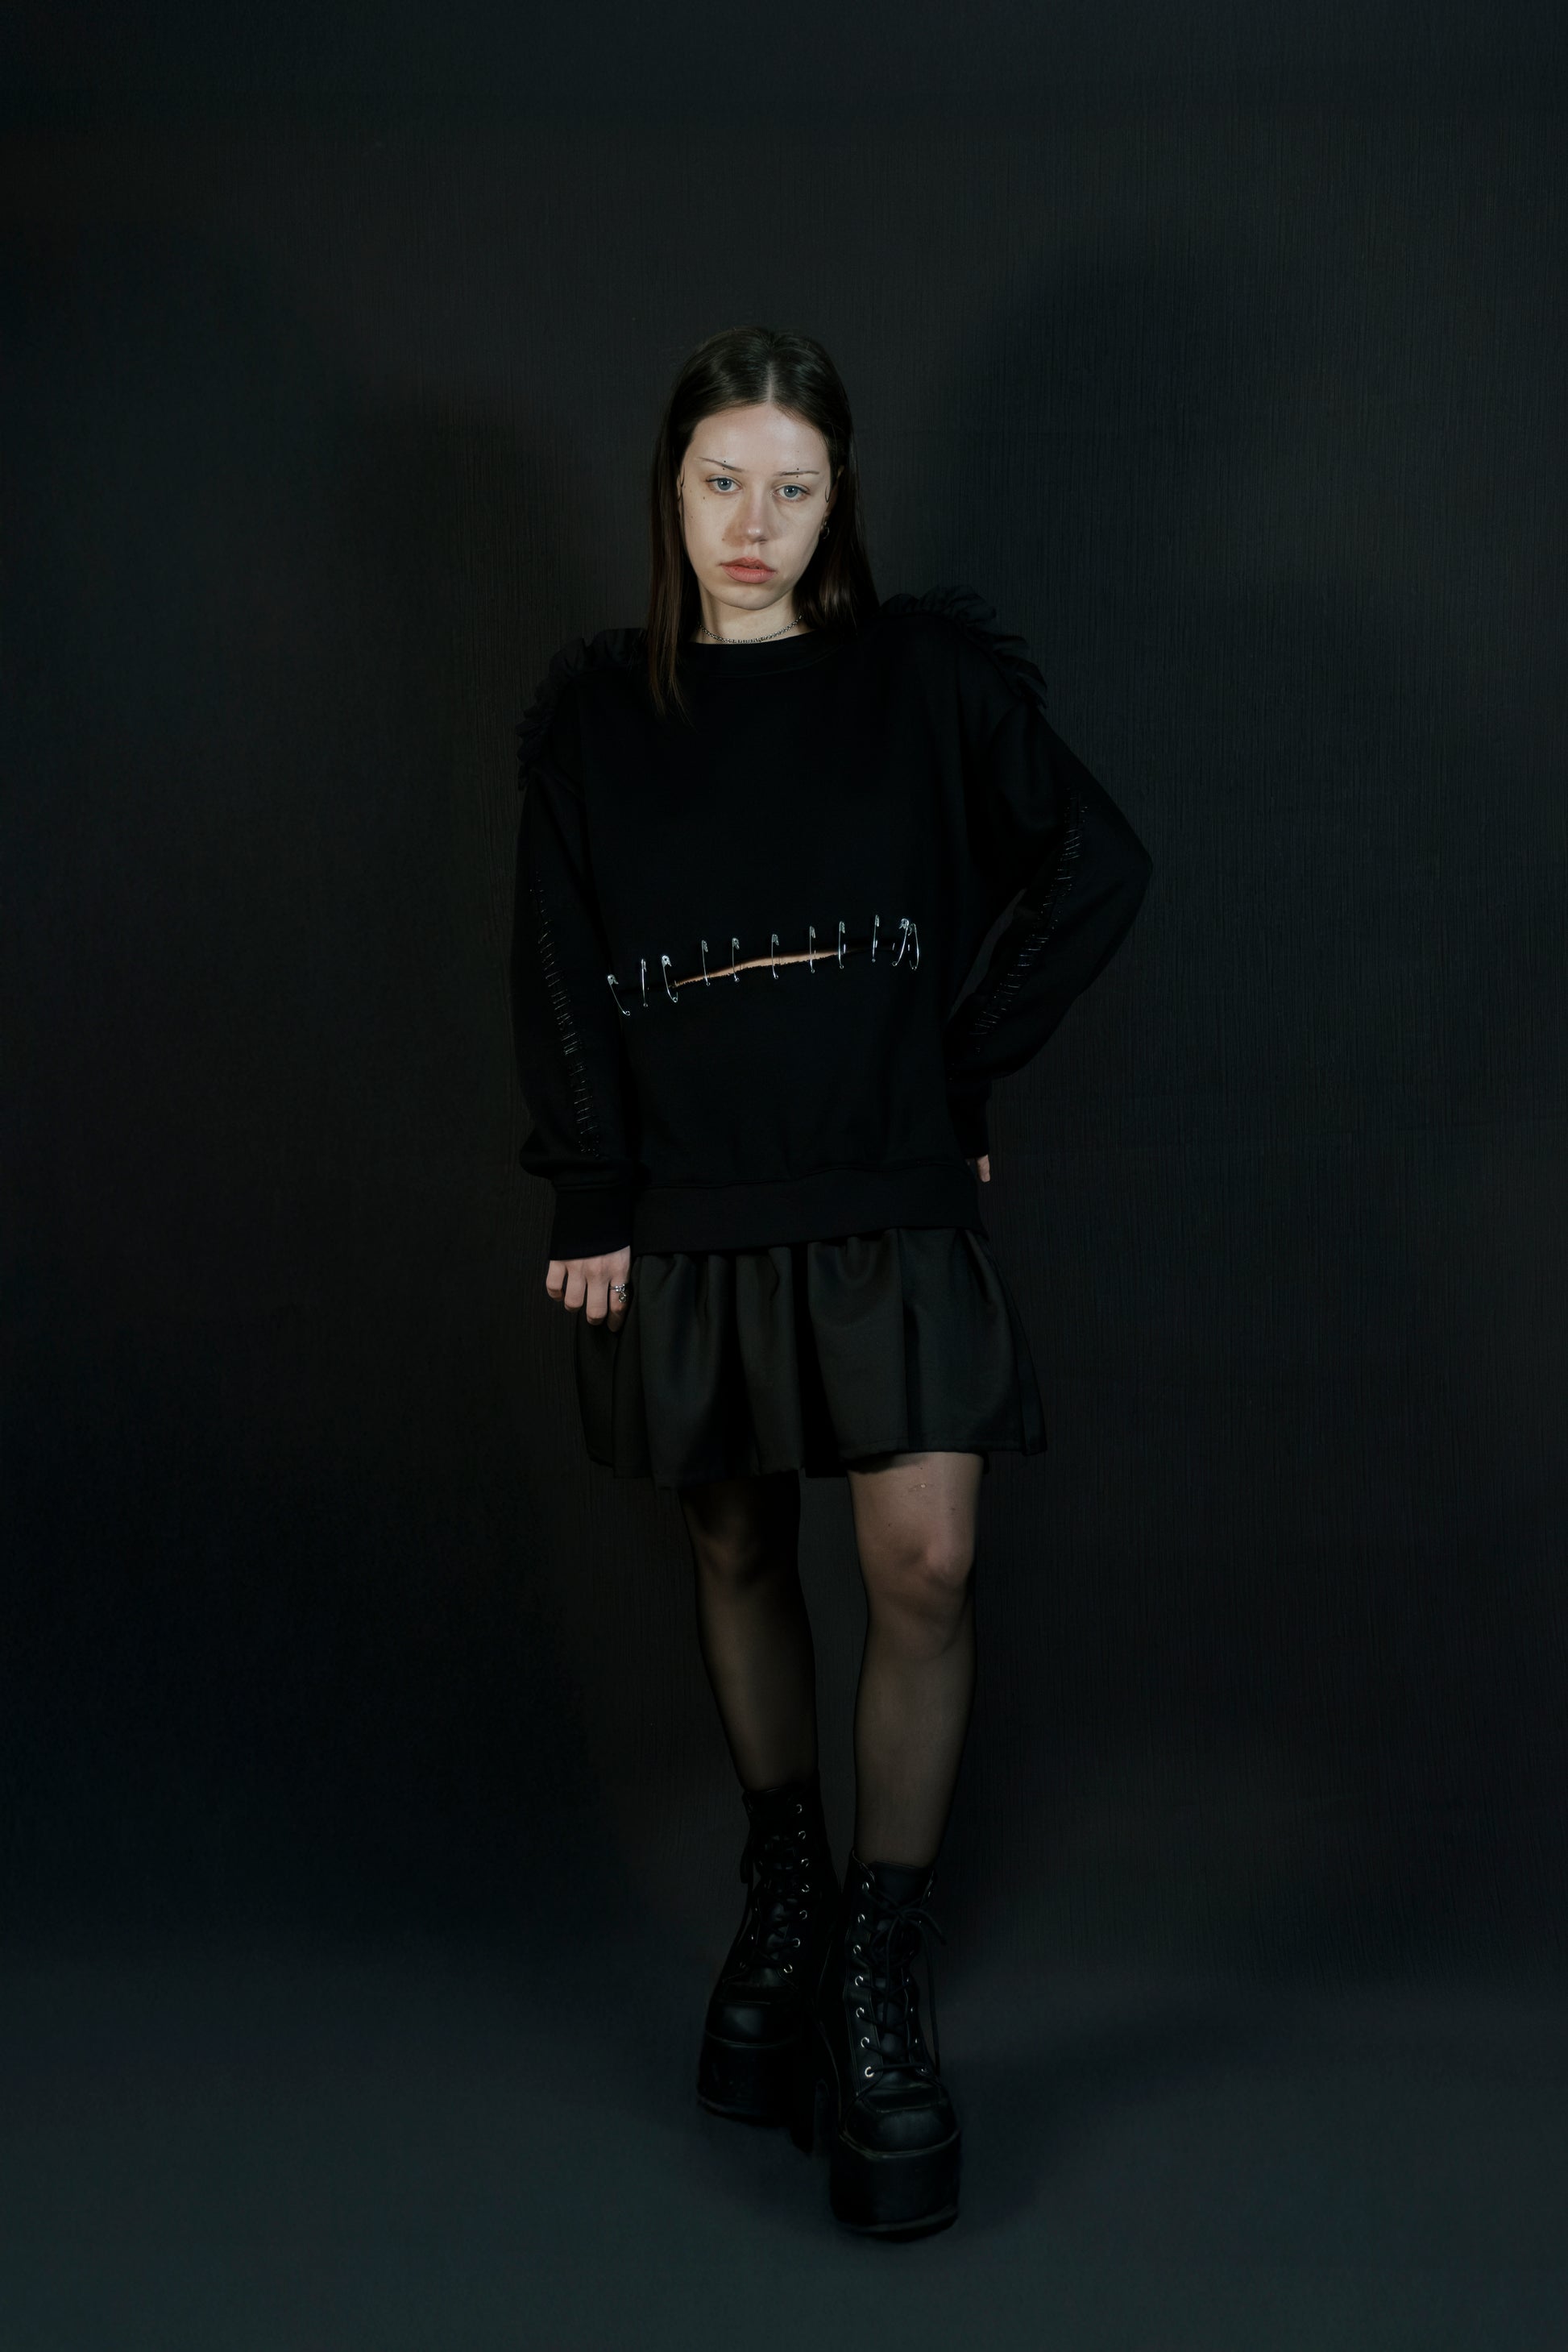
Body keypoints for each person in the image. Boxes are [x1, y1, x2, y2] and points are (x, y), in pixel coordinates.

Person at [509, 325, 1151, 2239]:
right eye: (722, 481)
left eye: (791, 488)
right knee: (732, 1544)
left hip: (885, 1184)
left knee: (920, 1562)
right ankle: (783, 1888)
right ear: (669, 487)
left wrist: (959, 1069)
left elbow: (1096, 864)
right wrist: (590, 1189)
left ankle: (879, 1957)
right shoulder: (596, 715)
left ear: (836, 499)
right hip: (690, 1194)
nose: (753, 523)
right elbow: (555, 956)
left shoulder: (922, 680)